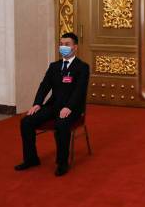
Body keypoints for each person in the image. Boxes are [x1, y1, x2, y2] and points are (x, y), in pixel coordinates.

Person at [14, 32, 90, 177]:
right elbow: (44, 86)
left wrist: (69, 107)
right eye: (61, 44)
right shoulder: (54, 66)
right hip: (53, 106)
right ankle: (31, 159)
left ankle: (62, 163)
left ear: (75, 47)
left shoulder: (82, 67)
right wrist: (37, 104)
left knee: (61, 124)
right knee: (26, 121)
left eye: (67, 44)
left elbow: (79, 91)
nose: (63, 47)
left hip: (72, 108)